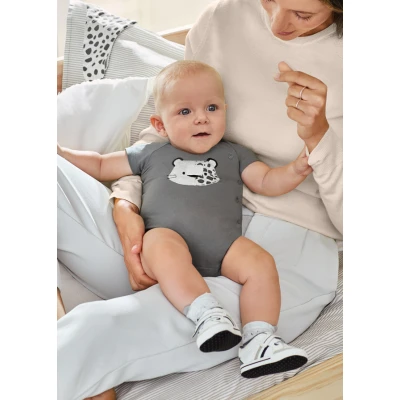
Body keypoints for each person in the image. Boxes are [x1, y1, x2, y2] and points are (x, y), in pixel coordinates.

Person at [57, 0, 342, 399]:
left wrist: (319, 137)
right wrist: (126, 203)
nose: (277, 23)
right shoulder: (223, 19)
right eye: (271, 0)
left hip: (281, 249)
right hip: (166, 228)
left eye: (302, 14)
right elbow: (165, 134)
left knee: (96, 331)